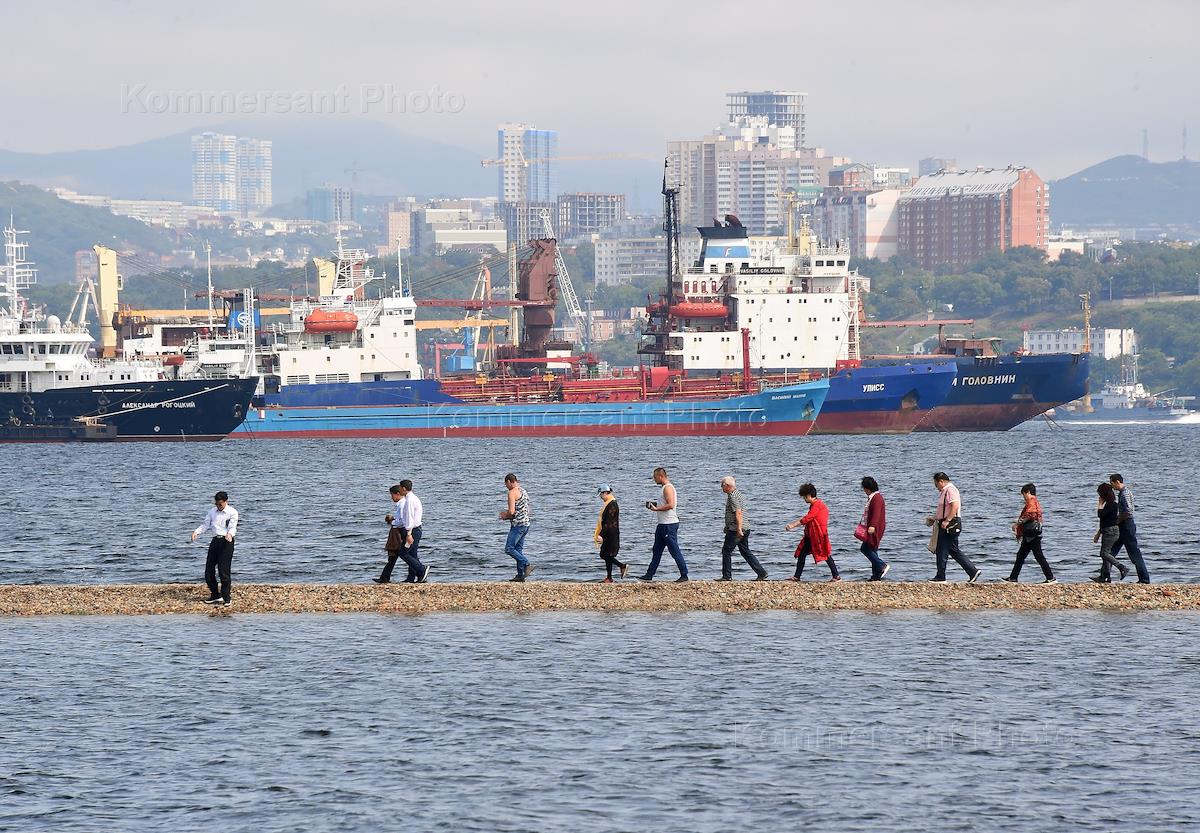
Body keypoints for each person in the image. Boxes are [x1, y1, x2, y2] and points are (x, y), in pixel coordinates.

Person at [926, 472, 981, 583]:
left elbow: (955, 506)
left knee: (942, 549)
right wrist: (935, 518)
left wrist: (947, 520)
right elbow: (944, 509)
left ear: (941, 481)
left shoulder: (950, 490)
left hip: (950, 523)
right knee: (953, 550)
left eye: (936, 484)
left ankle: (940, 576)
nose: (936, 487)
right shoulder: (945, 491)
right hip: (947, 522)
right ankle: (972, 571)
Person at [638, 467, 689, 582]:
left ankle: (684, 575)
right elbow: (665, 503)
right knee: (656, 550)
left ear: (660, 476)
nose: (654, 479)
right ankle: (649, 575)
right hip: (662, 524)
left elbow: (671, 505)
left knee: (674, 550)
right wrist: (656, 506)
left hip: (669, 524)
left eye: (655, 477)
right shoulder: (664, 488)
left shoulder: (668, 488)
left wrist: (657, 509)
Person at [190, 490, 239, 607]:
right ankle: (215, 594)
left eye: (220, 504)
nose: (218, 506)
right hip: (215, 541)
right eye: (216, 504)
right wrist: (196, 532)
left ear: (226, 502)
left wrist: (230, 534)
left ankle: (226, 597)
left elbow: (233, 527)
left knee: (223, 571)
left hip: (227, 542)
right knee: (209, 570)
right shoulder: (212, 511)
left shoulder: (232, 512)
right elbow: (205, 525)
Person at [376, 481, 430, 584]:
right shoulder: (413, 498)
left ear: (404, 488)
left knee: (403, 553)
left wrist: (408, 533)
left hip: (412, 530)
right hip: (415, 529)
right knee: (412, 554)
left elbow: (409, 519)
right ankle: (413, 577)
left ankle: (421, 570)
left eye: (401, 487)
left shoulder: (409, 501)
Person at [716, 476, 767, 582]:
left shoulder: (733, 497)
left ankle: (727, 576)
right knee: (745, 551)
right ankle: (761, 572)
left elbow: (738, 513)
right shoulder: (738, 494)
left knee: (726, 551)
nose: (721, 487)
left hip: (736, 529)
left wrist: (738, 529)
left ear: (727, 486)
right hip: (745, 527)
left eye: (722, 485)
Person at [785, 483, 839, 582]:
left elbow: (807, 518)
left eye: (804, 497)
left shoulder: (817, 505)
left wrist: (793, 525)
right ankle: (797, 576)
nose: (804, 499)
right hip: (811, 535)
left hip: (818, 535)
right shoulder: (816, 504)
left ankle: (836, 576)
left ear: (809, 495)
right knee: (802, 554)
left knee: (825, 554)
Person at [1003, 483, 1055, 584]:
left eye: (1024, 494)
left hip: (1032, 534)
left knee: (1038, 556)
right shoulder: (1034, 502)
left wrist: (1017, 524)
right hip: (1029, 535)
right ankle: (1013, 578)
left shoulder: (1032, 501)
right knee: (1021, 556)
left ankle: (1050, 577)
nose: (1023, 497)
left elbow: (1030, 515)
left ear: (1028, 492)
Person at [1109, 473, 1150, 583]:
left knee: (1134, 554)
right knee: (1110, 552)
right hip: (1123, 525)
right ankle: (1105, 576)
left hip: (1127, 525)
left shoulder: (1125, 493)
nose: (1111, 486)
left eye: (1112, 483)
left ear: (1117, 482)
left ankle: (1144, 579)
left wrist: (1117, 521)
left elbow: (1128, 511)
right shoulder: (1122, 493)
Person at [1093, 482, 1130, 583]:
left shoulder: (1112, 505)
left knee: (1104, 553)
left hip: (1110, 531)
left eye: (1100, 494)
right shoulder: (1109, 504)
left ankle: (1122, 567)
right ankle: (1105, 577)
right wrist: (1098, 534)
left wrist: (1100, 504)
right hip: (1107, 530)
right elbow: (1104, 521)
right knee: (1106, 554)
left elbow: (1100, 515)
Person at [499, 473, 534, 582]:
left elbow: (511, 512)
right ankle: (520, 575)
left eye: (506, 484)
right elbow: (528, 509)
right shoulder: (523, 491)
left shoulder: (511, 493)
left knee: (509, 549)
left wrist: (505, 516)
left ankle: (527, 564)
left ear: (509, 482)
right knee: (518, 550)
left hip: (518, 525)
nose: (506, 487)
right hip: (526, 524)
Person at [594, 485, 627, 583]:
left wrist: (601, 535)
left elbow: (609, 522)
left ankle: (622, 566)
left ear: (605, 493)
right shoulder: (609, 503)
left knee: (605, 555)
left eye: (601, 495)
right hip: (610, 533)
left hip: (611, 534)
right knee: (607, 555)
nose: (600, 497)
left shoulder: (612, 504)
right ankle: (609, 578)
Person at [857, 477, 889, 581]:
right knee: (872, 549)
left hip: (875, 528)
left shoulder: (877, 498)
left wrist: (872, 526)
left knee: (865, 548)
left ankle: (882, 565)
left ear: (867, 488)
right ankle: (876, 575)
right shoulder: (874, 497)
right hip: (873, 527)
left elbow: (876, 513)